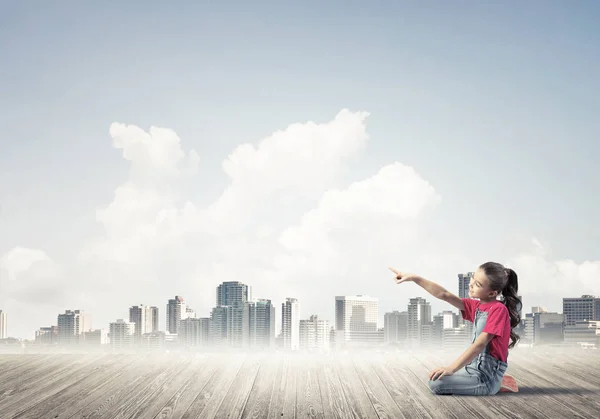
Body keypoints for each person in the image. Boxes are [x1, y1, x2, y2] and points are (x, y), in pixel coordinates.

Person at [389, 262, 522, 396]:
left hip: (486, 376)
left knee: (437, 385)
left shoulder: (499, 310)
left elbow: (479, 344)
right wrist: (415, 278)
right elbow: (444, 294)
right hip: (472, 368)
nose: (471, 284)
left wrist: (451, 368)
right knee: (436, 377)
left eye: (478, 284)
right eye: (473, 278)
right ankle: (499, 381)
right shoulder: (476, 306)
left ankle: (495, 383)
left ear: (492, 293)